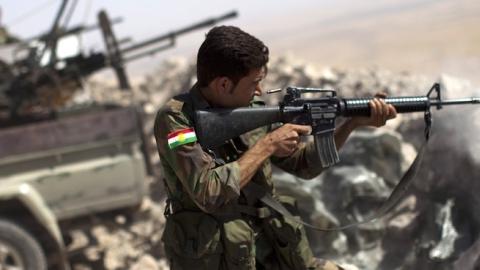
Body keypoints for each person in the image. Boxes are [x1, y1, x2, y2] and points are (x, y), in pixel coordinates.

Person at [154, 25, 397, 270]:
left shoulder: (250, 109)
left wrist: (352, 123)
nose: (259, 90)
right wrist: (268, 144)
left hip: (273, 246)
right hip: (218, 256)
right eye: (255, 82)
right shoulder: (176, 121)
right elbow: (209, 193)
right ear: (224, 85)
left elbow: (304, 166)